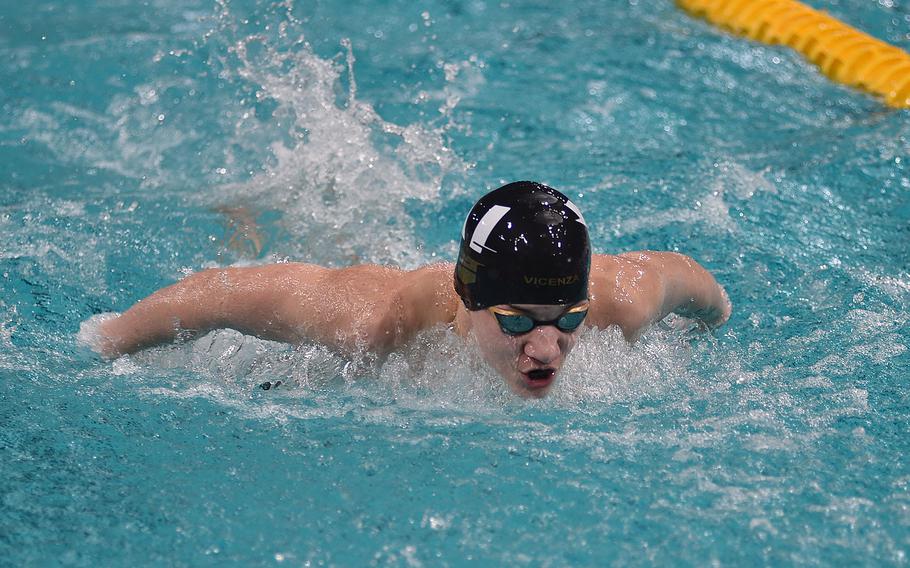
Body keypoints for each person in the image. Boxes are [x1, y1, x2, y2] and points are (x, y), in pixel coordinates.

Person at [92, 181, 731, 398]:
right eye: (516, 323)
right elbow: (212, 295)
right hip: (370, 294)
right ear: (469, 297)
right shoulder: (370, 321)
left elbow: (697, 282)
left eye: (566, 320)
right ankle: (247, 211)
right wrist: (105, 343)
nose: (546, 350)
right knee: (268, 250)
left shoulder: (620, 301)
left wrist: (716, 324)